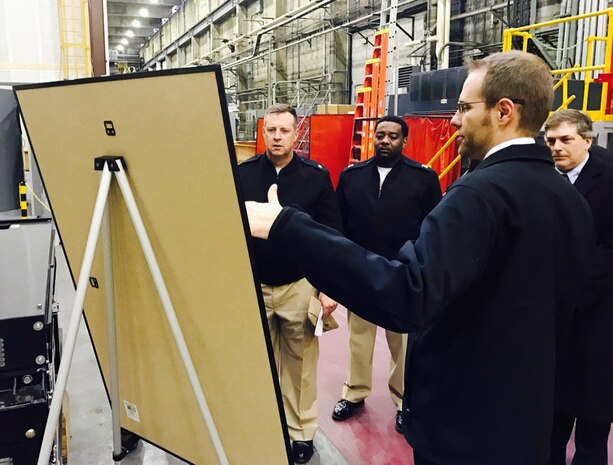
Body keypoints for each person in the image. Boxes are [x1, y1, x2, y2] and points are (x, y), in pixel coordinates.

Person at [245, 51, 594, 465]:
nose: (453, 120)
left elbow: (407, 295)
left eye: (464, 107)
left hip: (463, 429)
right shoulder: (567, 198)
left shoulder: (478, 195)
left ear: (504, 112)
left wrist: (288, 227)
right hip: (525, 420)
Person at [238, 103, 341, 464]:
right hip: (255, 285)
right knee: (256, 361)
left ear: (297, 134)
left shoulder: (315, 176)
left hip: (300, 285)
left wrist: (328, 287)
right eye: (271, 130)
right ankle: (264, 424)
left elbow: (331, 234)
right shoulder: (243, 174)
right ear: (262, 132)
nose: (277, 137)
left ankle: (300, 433)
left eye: (284, 131)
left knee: (300, 365)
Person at [332, 115, 442, 431]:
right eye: (380, 135)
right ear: (374, 137)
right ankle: (354, 393)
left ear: (404, 141)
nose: (385, 141)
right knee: (358, 339)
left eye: (393, 136)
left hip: (402, 276)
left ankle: (403, 400)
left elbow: (432, 228)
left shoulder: (423, 179)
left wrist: (421, 269)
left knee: (403, 343)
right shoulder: (352, 176)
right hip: (362, 273)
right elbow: (339, 224)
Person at [544, 109, 613, 465]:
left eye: (566, 140)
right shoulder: (544, 177)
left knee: (592, 424)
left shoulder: (609, 176)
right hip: (553, 320)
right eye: (551, 141)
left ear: (588, 140)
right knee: (550, 423)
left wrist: (569, 290)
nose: (557, 148)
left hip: (597, 317)